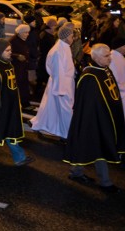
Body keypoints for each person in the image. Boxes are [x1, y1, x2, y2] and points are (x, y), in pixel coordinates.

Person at [64, 44, 125, 193]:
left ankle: (76, 172)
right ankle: (105, 182)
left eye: (109, 55)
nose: (110, 58)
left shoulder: (105, 70)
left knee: (88, 146)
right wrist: (97, 122)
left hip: (104, 118)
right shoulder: (90, 76)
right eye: (106, 56)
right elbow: (88, 104)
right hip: (95, 120)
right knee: (99, 148)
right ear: (96, 57)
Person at [31, 22, 76, 140]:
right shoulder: (58, 50)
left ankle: (52, 128)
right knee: (65, 110)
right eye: (71, 36)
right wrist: (61, 90)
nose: (73, 39)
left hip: (64, 84)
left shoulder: (64, 47)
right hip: (61, 86)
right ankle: (69, 133)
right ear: (66, 37)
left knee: (51, 108)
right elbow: (58, 72)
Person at [10, 24, 32, 111]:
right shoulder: (13, 41)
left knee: (24, 85)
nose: (27, 34)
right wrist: (17, 56)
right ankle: (21, 104)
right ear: (20, 33)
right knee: (19, 86)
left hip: (23, 68)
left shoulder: (23, 40)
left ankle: (25, 103)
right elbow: (7, 53)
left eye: (28, 32)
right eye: (25, 32)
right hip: (17, 68)